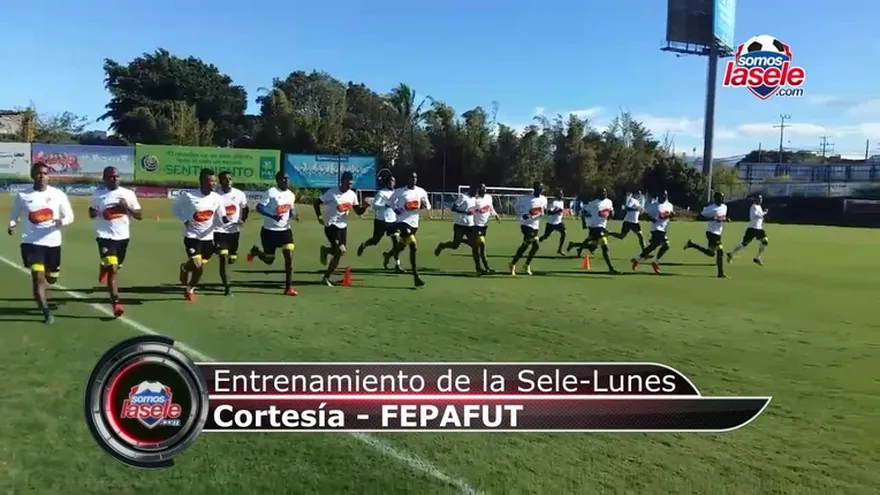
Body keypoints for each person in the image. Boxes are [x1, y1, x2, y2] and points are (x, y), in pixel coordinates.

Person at [7, 162, 74, 324]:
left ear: (48, 176)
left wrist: (61, 222)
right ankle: (46, 311)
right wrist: (12, 224)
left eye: (45, 173)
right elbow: (15, 215)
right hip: (31, 243)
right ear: (33, 176)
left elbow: (70, 216)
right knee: (38, 277)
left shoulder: (58, 194)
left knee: (51, 279)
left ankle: (45, 293)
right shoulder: (23, 195)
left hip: (53, 243)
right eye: (38, 173)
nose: (42, 176)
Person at [89, 166, 142, 316]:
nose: (115, 179)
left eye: (117, 176)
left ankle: (103, 267)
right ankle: (116, 303)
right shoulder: (98, 194)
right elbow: (91, 212)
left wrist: (127, 208)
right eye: (111, 176)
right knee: (112, 269)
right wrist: (94, 213)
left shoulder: (128, 194)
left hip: (122, 237)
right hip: (104, 236)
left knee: (115, 266)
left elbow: (139, 216)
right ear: (105, 178)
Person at [173, 168, 229, 301]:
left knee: (199, 268)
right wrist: (185, 219)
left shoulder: (216, 197)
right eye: (211, 181)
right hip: (192, 236)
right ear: (202, 181)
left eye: (215, 181)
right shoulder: (189, 195)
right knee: (197, 265)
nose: (214, 184)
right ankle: (186, 272)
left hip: (208, 238)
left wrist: (225, 218)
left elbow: (221, 212)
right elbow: (175, 207)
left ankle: (189, 286)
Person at [246, 172, 299, 295]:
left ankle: (288, 288)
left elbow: (290, 209)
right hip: (269, 232)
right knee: (269, 260)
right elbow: (259, 207)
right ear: (278, 180)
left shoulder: (291, 194)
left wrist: (293, 214)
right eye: (283, 178)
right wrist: (272, 216)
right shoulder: (271, 192)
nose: (286, 180)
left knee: (289, 260)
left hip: (285, 231)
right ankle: (256, 252)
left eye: (287, 178)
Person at [313, 171, 368, 286]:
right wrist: (319, 216)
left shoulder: (352, 195)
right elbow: (316, 202)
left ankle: (326, 272)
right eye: (348, 183)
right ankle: (326, 276)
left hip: (342, 226)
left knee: (339, 253)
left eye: (351, 183)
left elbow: (358, 212)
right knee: (341, 250)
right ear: (342, 181)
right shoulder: (332, 193)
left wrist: (365, 207)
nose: (349, 185)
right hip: (331, 225)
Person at [383, 172, 430, 287]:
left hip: (414, 224)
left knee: (402, 246)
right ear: (408, 179)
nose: (414, 179)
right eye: (412, 177)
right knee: (413, 245)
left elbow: (428, 206)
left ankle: (388, 255)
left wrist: (425, 205)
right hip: (402, 222)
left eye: (415, 177)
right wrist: (395, 209)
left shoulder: (421, 191)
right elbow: (390, 202)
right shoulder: (400, 191)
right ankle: (416, 276)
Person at [356, 170, 401, 270]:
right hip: (381, 221)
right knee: (375, 241)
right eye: (390, 181)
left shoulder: (397, 193)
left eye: (393, 181)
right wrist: (385, 205)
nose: (391, 182)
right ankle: (364, 245)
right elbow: (375, 206)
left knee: (396, 243)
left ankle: (397, 265)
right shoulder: (381, 193)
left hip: (392, 221)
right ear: (387, 182)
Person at [434, 184, 483, 274]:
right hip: (459, 225)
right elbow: (453, 208)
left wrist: (476, 212)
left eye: (477, 192)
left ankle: (478, 268)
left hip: (470, 225)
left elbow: (472, 210)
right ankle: (442, 245)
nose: (476, 193)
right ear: (471, 189)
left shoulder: (474, 199)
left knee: (475, 246)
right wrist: (465, 212)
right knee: (455, 245)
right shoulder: (463, 197)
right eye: (475, 191)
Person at [214, 171, 249, 296]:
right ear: (220, 181)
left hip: (234, 232)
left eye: (230, 178)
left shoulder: (239, 194)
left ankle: (229, 259)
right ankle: (227, 287)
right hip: (219, 231)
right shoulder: (214, 195)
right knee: (223, 258)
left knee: (231, 259)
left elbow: (245, 209)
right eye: (225, 179)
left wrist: (243, 219)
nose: (228, 181)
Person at [567, 187, 618, 273]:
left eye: (605, 192)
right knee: (605, 248)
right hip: (595, 227)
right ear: (598, 194)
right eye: (602, 193)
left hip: (602, 227)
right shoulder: (593, 203)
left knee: (593, 247)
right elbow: (583, 212)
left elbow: (611, 211)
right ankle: (611, 268)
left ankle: (574, 244)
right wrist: (583, 223)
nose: (604, 194)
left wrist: (611, 214)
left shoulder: (609, 202)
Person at [685, 191, 729, 279]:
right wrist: (713, 218)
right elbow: (699, 217)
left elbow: (722, 216)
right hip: (711, 233)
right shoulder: (710, 208)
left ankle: (692, 244)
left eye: (723, 197)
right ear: (716, 198)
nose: (722, 199)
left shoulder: (724, 207)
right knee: (720, 250)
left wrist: (725, 219)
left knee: (711, 253)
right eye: (720, 197)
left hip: (718, 233)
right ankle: (720, 273)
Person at [508, 181, 547, 276]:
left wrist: (542, 213)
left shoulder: (544, 199)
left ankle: (525, 264)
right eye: (538, 188)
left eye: (541, 188)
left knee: (534, 246)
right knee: (530, 241)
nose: (540, 190)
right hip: (525, 224)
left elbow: (542, 210)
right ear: (534, 188)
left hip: (535, 225)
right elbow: (516, 206)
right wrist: (522, 214)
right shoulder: (526, 198)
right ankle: (513, 265)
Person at [630, 190, 674, 274]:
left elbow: (670, 215)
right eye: (662, 195)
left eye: (665, 195)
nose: (664, 197)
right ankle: (654, 262)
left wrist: (672, 215)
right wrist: (650, 218)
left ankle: (638, 259)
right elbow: (644, 214)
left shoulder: (669, 205)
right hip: (656, 228)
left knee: (662, 246)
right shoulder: (653, 206)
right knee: (660, 244)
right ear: (658, 196)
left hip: (664, 229)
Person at [727, 194, 769, 266]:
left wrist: (762, 218)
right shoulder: (754, 207)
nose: (760, 200)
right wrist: (764, 213)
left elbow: (759, 216)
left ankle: (757, 258)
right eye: (758, 198)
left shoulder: (759, 206)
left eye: (761, 198)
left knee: (764, 241)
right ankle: (731, 254)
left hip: (758, 228)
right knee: (744, 244)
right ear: (755, 199)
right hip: (753, 228)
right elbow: (755, 215)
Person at [472, 183, 502, 273]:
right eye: (482, 189)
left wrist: (496, 215)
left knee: (480, 248)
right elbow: (470, 211)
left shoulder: (488, 197)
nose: (483, 191)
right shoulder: (475, 200)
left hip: (484, 226)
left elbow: (491, 208)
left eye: (484, 189)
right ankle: (484, 267)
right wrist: (475, 212)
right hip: (476, 226)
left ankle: (482, 268)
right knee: (482, 244)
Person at [538, 189, 567, 255]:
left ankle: (559, 249)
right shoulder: (553, 202)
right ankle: (536, 241)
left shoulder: (562, 202)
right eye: (560, 194)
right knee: (545, 236)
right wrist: (557, 211)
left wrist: (561, 215)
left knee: (564, 233)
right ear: (557, 194)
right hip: (551, 223)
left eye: (562, 193)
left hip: (558, 223)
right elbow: (549, 212)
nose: (562, 195)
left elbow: (560, 211)